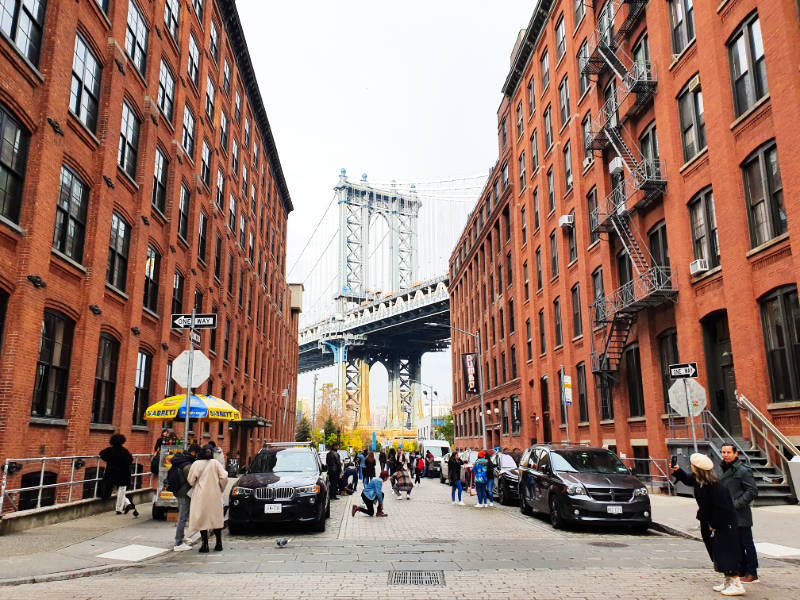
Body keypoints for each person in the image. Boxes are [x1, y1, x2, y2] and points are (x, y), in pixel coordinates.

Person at [673, 453, 745, 596]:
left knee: (726, 551)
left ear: (697, 468)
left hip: (722, 524)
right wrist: (678, 470)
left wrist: (714, 524)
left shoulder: (714, 486)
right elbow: (688, 479)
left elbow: (721, 508)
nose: (690, 467)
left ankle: (737, 583)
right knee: (716, 552)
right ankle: (728, 581)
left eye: (692, 466)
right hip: (710, 522)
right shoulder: (699, 480)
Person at [720, 444, 759, 583]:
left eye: (729, 452)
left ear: (736, 454)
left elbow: (752, 491)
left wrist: (735, 504)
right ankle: (741, 571)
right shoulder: (723, 469)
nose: (725, 455)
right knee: (736, 545)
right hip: (729, 516)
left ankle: (752, 572)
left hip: (741, 515)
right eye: (723, 452)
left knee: (747, 544)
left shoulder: (743, 470)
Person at [187, 445, 228, 553]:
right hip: (214, 494)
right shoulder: (215, 463)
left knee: (202, 519)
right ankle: (219, 543)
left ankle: (205, 544)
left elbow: (190, 480)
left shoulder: (196, 464)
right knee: (216, 519)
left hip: (201, 495)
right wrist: (221, 488)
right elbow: (224, 476)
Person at [171, 443, 202, 552]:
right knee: (182, 517)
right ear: (194, 453)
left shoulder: (181, 459)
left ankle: (181, 537)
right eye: (197, 453)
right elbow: (191, 480)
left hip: (178, 491)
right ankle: (178, 542)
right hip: (184, 493)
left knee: (182, 515)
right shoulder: (187, 464)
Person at [100, 434, 138, 517]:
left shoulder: (109, 450)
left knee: (115, 489)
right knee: (121, 491)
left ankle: (126, 504)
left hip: (112, 472)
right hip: (123, 474)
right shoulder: (125, 451)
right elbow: (130, 460)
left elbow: (102, 454)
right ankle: (120, 508)